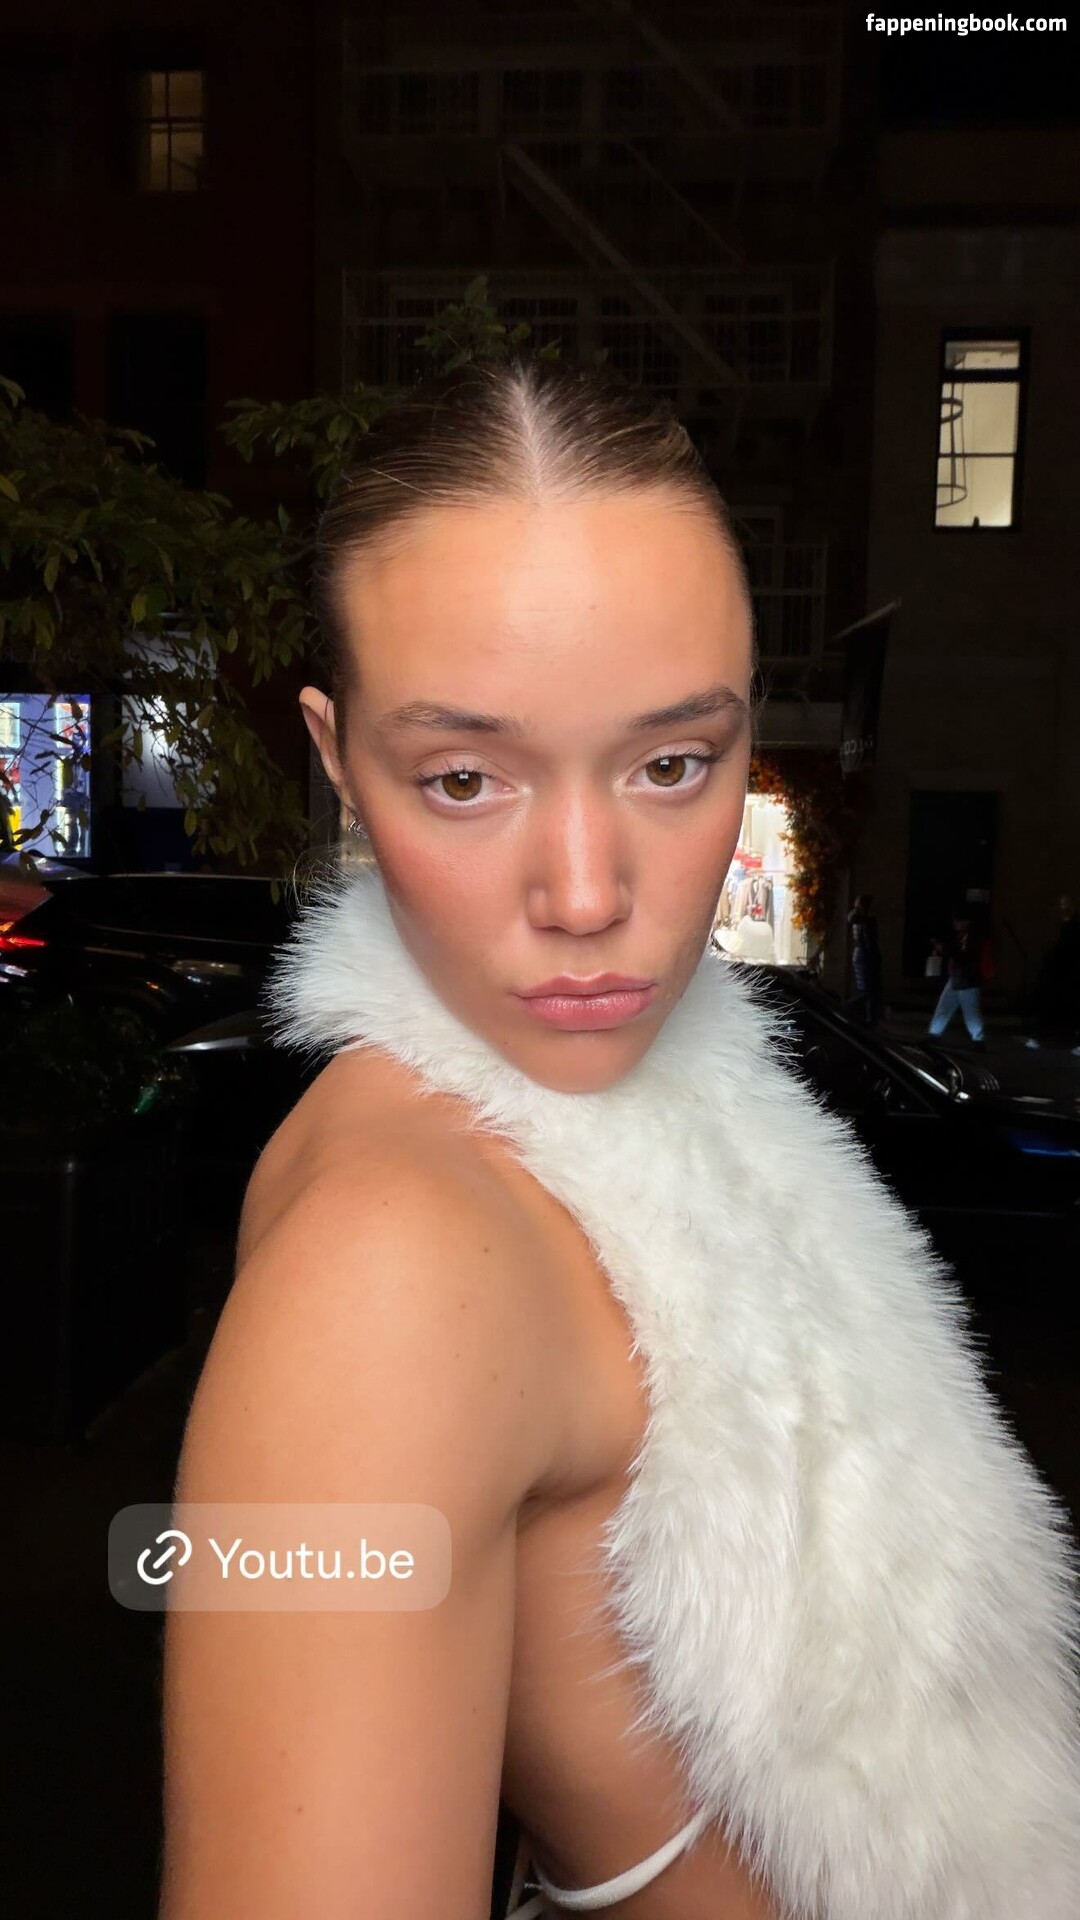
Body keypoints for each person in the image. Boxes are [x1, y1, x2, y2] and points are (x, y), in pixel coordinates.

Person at [160, 360, 1079, 1920]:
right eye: (464, 778)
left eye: (671, 764)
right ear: (336, 756)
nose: (587, 894)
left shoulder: (698, 1124)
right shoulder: (389, 1274)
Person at [926, 906, 991, 1050]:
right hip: (959, 977)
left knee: (968, 1011)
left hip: (966, 979)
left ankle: (978, 1040)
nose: (955, 923)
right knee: (946, 1007)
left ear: (966, 922)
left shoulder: (971, 937)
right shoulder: (965, 936)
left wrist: (944, 949)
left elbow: (963, 956)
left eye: (958, 921)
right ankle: (934, 1034)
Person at [1025, 893, 1080, 1052]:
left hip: (1067, 974)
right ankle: (1041, 1036)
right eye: (1062, 904)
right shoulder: (1062, 927)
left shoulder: (1072, 928)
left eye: (1067, 904)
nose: (1064, 907)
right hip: (1060, 974)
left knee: (1068, 1007)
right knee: (1053, 1005)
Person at [844, 891, 883, 1027]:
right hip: (866, 955)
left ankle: (869, 1018)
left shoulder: (857, 918)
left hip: (861, 954)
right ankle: (845, 1009)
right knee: (869, 991)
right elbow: (869, 941)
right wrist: (875, 957)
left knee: (867, 990)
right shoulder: (866, 920)